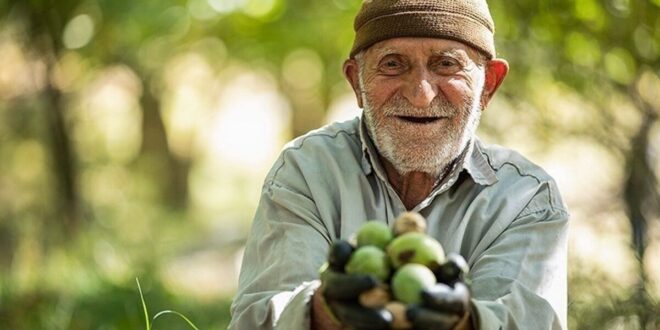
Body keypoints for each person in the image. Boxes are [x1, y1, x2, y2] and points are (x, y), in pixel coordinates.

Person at [229, 0, 569, 329]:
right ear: (356, 82)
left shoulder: (526, 198)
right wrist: (322, 314)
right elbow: (259, 320)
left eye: (446, 64)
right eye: (392, 64)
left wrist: (464, 323)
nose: (421, 94)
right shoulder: (307, 171)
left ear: (488, 86)